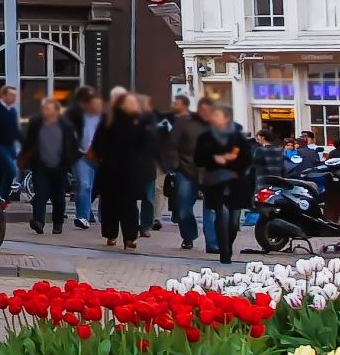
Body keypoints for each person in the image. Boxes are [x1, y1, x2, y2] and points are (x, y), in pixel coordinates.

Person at [190, 97, 257, 260]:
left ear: (226, 118)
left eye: (217, 115)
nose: (213, 118)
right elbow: (198, 159)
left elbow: (247, 159)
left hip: (235, 180)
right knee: (221, 213)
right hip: (215, 180)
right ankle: (224, 251)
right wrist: (214, 158)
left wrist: (230, 161)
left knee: (233, 221)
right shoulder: (205, 137)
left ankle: (228, 243)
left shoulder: (238, 137)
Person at [94, 92, 157, 249]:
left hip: (131, 170)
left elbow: (146, 143)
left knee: (129, 204)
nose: (135, 105)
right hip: (110, 169)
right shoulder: (109, 119)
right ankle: (111, 233)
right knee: (110, 203)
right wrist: (103, 156)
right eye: (131, 102)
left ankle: (130, 236)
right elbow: (98, 142)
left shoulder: (139, 121)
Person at [26, 94, 77, 235]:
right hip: (40, 166)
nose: (45, 111)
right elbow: (28, 141)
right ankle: (38, 222)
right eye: (43, 108)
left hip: (60, 167)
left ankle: (58, 224)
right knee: (41, 194)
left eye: (48, 109)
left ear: (56, 110)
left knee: (58, 197)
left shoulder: (66, 125)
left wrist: (69, 163)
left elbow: (72, 146)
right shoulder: (36, 123)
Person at [152, 98, 195, 246]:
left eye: (176, 103)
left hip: (190, 165)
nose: (172, 105)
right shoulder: (165, 119)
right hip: (168, 161)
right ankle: (187, 237)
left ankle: (182, 224)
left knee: (182, 198)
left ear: (184, 105)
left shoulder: (194, 120)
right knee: (164, 191)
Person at [71, 88, 105, 226]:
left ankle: (104, 217)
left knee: (103, 187)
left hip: (101, 157)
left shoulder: (105, 118)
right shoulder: (77, 117)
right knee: (84, 185)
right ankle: (82, 217)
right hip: (82, 156)